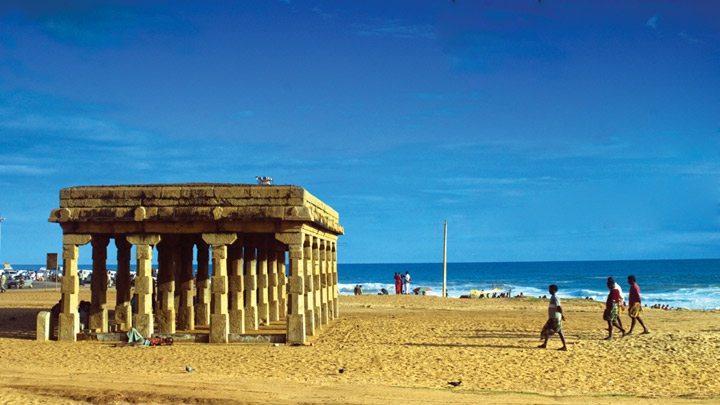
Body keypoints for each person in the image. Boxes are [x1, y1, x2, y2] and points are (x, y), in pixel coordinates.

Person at [539, 284, 567, 351]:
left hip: (556, 318)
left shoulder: (555, 297)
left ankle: (565, 346)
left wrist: (562, 315)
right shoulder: (552, 297)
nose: (549, 291)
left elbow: (559, 307)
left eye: (550, 289)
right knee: (546, 329)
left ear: (553, 290)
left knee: (559, 331)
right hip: (552, 317)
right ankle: (545, 344)